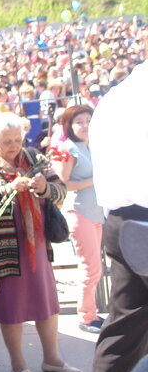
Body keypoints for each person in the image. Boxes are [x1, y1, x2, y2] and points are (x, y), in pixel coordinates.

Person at [78, 62, 148, 372]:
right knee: (126, 326)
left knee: (125, 325)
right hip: (141, 215)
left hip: (120, 219)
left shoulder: (114, 98)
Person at [0, 112, 77, 372]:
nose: (14, 145)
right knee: (11, 306)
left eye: (17, 139)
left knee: (47, 302)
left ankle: (52, 358)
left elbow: (61, 190)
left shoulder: (34, 158)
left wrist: (45, 187)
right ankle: (19, 364)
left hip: (38, 245)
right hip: (3, 247)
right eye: (6, 140)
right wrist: (8, 190)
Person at [50, 104, 104, 333]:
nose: (84, 125)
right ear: (69, 126)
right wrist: (95, 180)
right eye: (79, 121)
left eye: (87, 120)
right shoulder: (68, 148)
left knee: (96, 266)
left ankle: (90, 311)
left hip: (96, 211)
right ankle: (86, 315)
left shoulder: (92, 146)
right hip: (79, 211)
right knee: (90, 266)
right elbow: (63, 183)